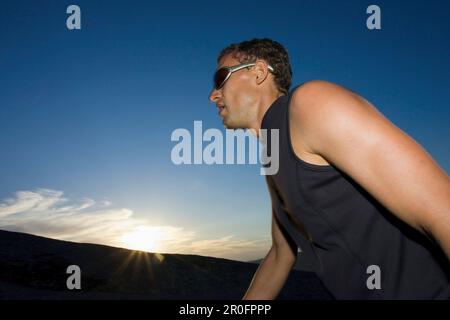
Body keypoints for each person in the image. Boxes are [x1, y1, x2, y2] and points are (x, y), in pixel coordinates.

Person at [208, 38, 450, 299]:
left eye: (221, 77)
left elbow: (443, 210)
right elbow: (281, 253)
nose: (213, 95)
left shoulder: (310, 104)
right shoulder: (273, 156)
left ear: (259, 72)